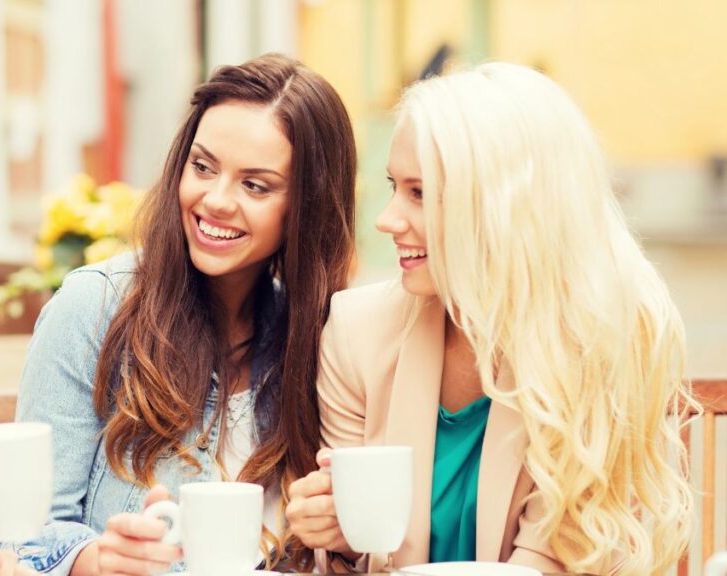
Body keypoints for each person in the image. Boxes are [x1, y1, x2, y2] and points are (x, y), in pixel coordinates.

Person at [286, 62, 696, 576]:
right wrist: (339, 537)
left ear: (502, 206)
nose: (386, 219)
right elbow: (358, 558)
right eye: (394, 186)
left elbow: (559, 560)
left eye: (419, 193)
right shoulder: (357, 331)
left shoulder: (606, 338)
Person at [0, 53, 357, 576]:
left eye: (255, 185)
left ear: (306, 206)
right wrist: (99, 560)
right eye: (202, 166)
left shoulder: (322, 335)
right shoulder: (94, 308)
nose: (214, 200)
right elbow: (22, 542)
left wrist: (343, 534)